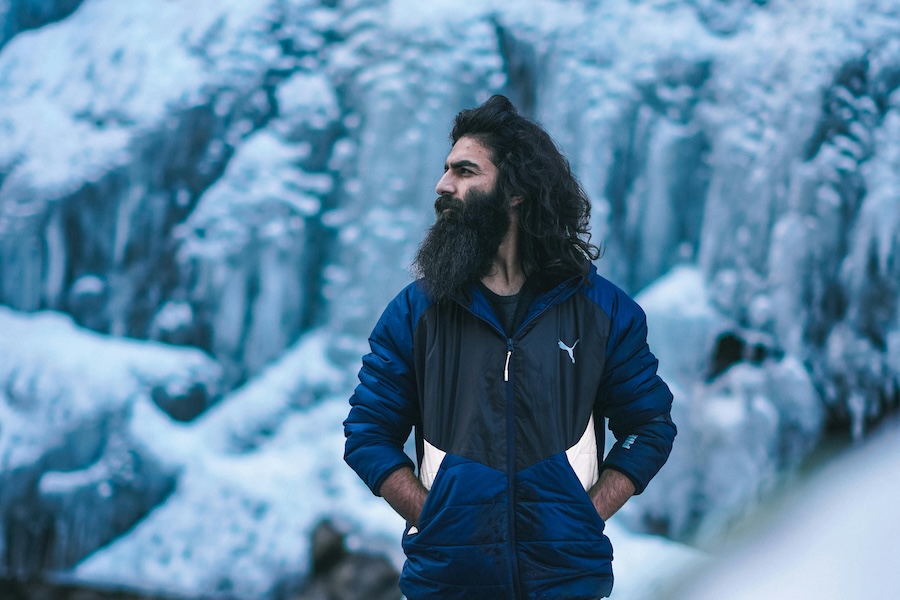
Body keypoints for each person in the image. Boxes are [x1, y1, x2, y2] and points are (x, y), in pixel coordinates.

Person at [343, 95, 676, 600]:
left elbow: (649, 426)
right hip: (447, 588)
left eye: (464, 171)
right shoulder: (416, 314)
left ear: (515, 191)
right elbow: (367, 432)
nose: (442, 185)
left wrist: (584, 516)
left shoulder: (603, 312)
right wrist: (431, 518)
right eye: (445, 170)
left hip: (567, 585)